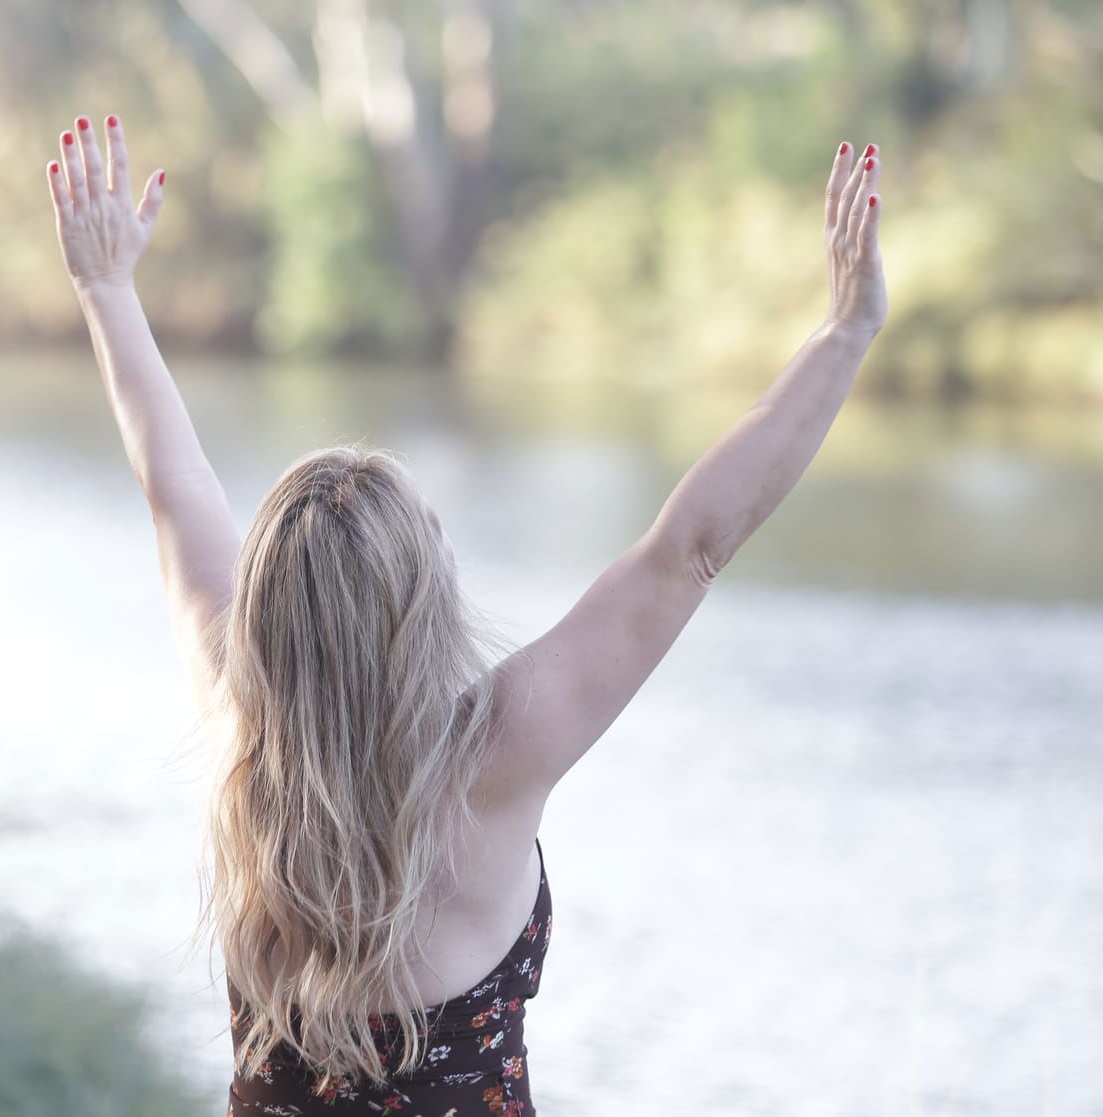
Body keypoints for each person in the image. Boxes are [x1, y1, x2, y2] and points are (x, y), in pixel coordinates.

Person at [44, 115, 888, 1115]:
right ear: (414, 605)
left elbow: (175, 492)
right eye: (430, 531)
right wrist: (843, 333)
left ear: (266, 613)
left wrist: (106, 292)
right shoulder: (491, 756)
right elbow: (688, 546)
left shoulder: (242, 744)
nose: (448, 542)